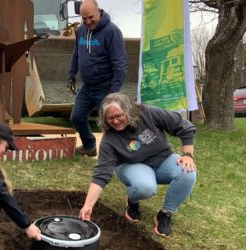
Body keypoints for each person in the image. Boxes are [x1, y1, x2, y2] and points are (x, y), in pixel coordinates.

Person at [79, 93, 197, 237]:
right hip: (131, 166)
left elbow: (184, 126)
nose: (115, 121)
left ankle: (165, 214)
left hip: (163, 159)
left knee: (188, 172)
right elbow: (101, 174)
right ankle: (133, 200)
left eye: (119, 116)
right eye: (110, 118)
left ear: (128, 110)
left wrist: (187, 155)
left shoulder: (148, 113)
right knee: (146, 187)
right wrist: (88, 205)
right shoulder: (109, 140)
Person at [68, 0, 127, 157]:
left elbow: (120, 64)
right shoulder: (81, 31)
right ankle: (89, 145)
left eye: (91, 17)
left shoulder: (112, 32)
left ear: (99, 12)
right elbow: (76, 53)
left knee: (111, 123)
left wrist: (113, 92)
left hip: (106, 86)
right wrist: (71, 75)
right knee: (77, 117)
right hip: (88, 86)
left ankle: (120, 155)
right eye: (84, 18)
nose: (87, 22)